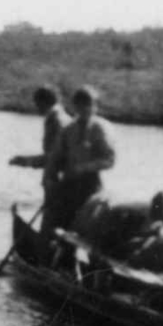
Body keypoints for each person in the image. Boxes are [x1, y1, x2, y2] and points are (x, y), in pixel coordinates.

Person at [43, 85, 116, 232]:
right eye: (80, 106)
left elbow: (110, 160)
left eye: (89, 105)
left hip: (90, 184)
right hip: (69, 183)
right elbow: (55, 158)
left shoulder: (100, 129)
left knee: (90, 227)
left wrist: (85, 167)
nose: (85, 110)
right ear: (75, 107)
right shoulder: (68, 129)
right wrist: (50, 178)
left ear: (95, 106)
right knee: (57, 224)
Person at [9, 86, 69, 183]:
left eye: (36, 103)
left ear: (42, 102)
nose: (36, 107)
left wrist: (25, 161)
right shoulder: (63, 117)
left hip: (60, 179)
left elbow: (55, 157)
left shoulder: (54, 119)